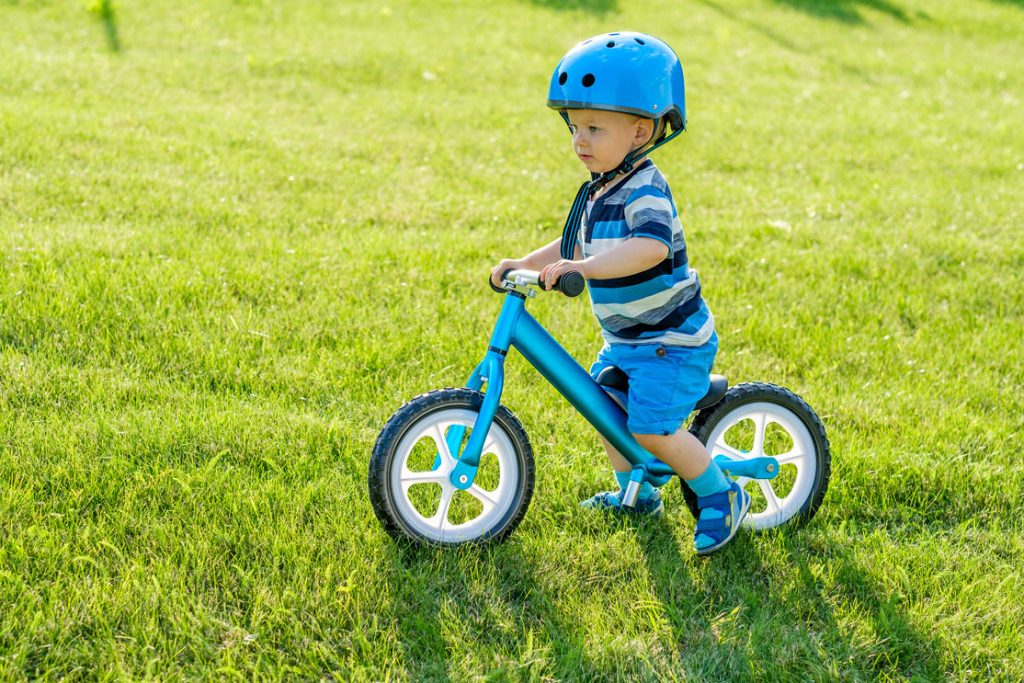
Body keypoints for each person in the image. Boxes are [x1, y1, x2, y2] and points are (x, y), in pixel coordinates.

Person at [490, 31, 749, 555]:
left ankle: (720, 493)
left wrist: (583, 268)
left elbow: (650, 247)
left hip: (670, 341)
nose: (580, 140)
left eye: (594, 128)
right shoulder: (599, 186)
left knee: (652, 429)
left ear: (640, 131)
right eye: (574, 127)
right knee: (601, 408)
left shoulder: (645, 187)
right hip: (629, 341)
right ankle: (638, 492)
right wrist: (526, 263)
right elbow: (569, 243)